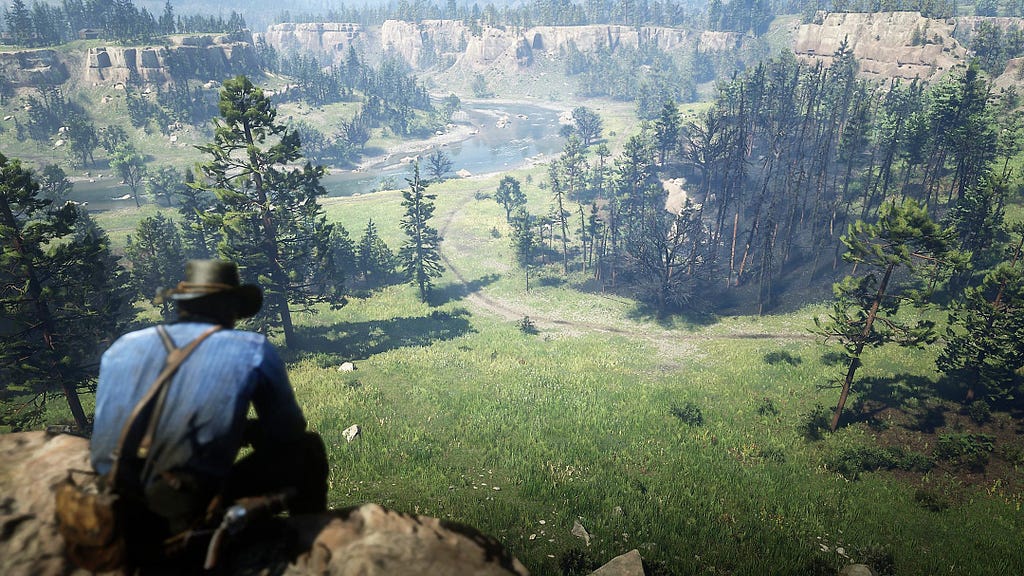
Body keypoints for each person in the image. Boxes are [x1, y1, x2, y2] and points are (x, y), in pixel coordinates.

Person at [89, 259, 328, 566]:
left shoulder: (123, 346)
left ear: (183, 305)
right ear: (229, 306)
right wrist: (247, 431)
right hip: (180, 505)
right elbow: (289, 431)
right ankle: (307, 551)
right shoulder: (251, 348)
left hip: (112, 500)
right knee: (307, 449)